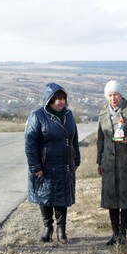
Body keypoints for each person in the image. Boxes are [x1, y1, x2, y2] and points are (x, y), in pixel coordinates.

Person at [24, 83, 81, 244]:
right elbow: (30, 143)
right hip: (45, 166)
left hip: (65, 165)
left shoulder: (68, 115)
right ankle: (48, 228)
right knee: (46, 197)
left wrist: (76, 159)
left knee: (62, 198)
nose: (61, 102)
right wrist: (35, 166)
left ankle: (61, 230)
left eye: (63, 98)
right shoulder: (38, 115)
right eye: (57, 99)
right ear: (49, 100)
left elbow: (74, 139)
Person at [96, 80, 127, 245]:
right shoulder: (103, 111)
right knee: (111, 199)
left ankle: (123, 233)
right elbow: (101, 138)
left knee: (126, 198)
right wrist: (99, 161)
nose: (113, 98)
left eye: (116, 94)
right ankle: (115, 233)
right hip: (109, 162)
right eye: (110, 95)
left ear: (121, 95)